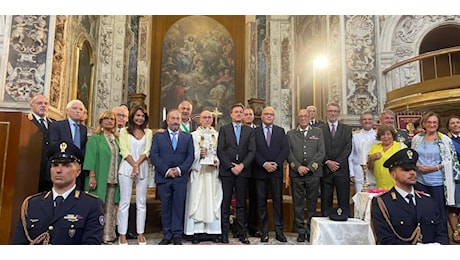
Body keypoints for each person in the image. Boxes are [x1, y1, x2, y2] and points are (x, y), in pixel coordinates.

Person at [10, 141, 105, 245]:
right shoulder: (32, 204)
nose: (59, 170)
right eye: (55, 165)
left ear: (78, 171)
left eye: (66, 165)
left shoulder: (90, 205)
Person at [371, 148, 450, 245]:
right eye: (406, 169)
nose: (412, 173)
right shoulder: (382, 203)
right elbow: (386, 240)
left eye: (414, 169)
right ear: (393, 174)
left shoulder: (427, 201)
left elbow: (442, 235)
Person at [411, 111, 460, 241]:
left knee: (440, 213)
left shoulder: (445, 140)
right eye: (429, 122)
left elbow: (451, 160)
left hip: (438, 182)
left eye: (434, 122)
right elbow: (412, 156)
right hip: (420, 181)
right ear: (424, 123)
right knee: (422, 211)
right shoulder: (417, 139)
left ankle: (442, 240)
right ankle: (425, 239)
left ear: (438, 124)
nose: (431, 124)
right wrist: (416, 165)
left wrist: (435, 167)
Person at [151, 109, 194, 245]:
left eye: (177, 119)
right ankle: (167, 234)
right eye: (173, 118)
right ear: (167, 120)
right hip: (164, 177)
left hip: (180, 178)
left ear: (180, 121)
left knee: (178, 207)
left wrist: (179, 170)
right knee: (165, 207)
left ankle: (177, 235)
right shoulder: (158, 136)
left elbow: (190, 156)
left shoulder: (187, 137)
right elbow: (154, 155)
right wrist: (166, 170)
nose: (175, 121)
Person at [217, 103, 256, 244]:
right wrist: (230, 166)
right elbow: (220, 150)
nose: (239, 114)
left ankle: (242, 233)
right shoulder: (224, 129)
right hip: (228, 171)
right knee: (226, 202)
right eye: (236, 112)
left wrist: (242, 165)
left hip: (243, 171)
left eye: (241, 112)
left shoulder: (249, 131)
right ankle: (224, 233)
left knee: (241, 204)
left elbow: (252, 151)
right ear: (231, 114)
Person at [286, 108, 325, 243]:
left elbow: (321, 152)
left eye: (305, 116)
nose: (303, 118)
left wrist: (309, 168)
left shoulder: (318, 132)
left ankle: (310, 230)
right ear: (297, 118)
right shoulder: (290, 134)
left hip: (313, 174)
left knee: (312, 204)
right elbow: (288, 153)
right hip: (296, 174)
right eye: (300, 116)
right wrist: (298, 167)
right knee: (297, 204)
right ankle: (300, 231)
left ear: (309, 118)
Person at [184, 110, 223, 244]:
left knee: (212, 199)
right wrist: (199, 154)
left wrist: (217, 161)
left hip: (212, 174)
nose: (207, 120)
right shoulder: (193, 136)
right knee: (198, 199)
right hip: (198, 172)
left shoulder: (217, 135)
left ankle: (212, 231)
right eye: (204, 117)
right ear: (199, 120)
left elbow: (220, 153)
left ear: (212, 120)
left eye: (209, 118)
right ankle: (196, 232)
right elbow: (189, 154)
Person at [252, 106, 289, 243]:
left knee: (277, 202)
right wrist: (264, 164)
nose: (268, 116)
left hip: (276, 172)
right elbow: (253, 150)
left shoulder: (280, 131)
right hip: (260, 172)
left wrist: (276, 164)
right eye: (266, 114)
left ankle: (279, 232)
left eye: (271, 114)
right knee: (261, 204)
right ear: (261, 116)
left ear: (274, 117)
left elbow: (285, 149)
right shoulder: (254, 132)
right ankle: (264, 232)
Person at [83, 110, 120, 244]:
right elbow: (90, 158)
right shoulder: (95, 138)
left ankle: (108, 235)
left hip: (113, 178)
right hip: (99, 177)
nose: (109, 121)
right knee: (97, 208)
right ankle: (95, 236)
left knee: (110, 208)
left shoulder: (117, 139)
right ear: (101, 121)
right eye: (106, 119)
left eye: (112, 119)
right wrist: (92, 176)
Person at [117, 106, 152, 245]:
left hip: (142, 167)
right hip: (127, 167)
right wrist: (134, 165)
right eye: (137, 115)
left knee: (141, 202)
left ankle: (140, 233)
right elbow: (124, 150)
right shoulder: (125, 132)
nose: (140, 118)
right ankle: (122, 234)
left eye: (142, 116)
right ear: (132, 117)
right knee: (124, 202)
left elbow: (147, 150)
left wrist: (138, 165)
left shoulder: (148, 132)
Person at [318, 102, 352, 216]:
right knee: (325, 200)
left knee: (343, 200)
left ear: (339, 113)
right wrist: (327, 161)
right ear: (326, 113)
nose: (333, 113)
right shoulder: (319, 129)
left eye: (335, 111)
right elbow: (319, 149)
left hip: (341, 170)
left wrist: (336, 163)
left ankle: (343, 223)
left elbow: (348, 148)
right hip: (325, 170)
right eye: (330, 111)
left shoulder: (346, 129)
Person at [49, 99, 88, 190]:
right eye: (75, 108)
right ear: (67, 111)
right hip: (62, 163)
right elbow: (54, 143)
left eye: (81, 109)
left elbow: (83, 147)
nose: (78, 111)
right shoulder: (57, 125)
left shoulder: (83, 129)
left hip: (77, 166)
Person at [27, 94, 55, 192]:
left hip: (49, 170)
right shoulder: (26, 121)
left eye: (46, 103)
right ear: (31, 106)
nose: (43, 105)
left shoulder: (54, 124)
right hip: (31, 168)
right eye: (39, 103)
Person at [368, 125, 406, 190]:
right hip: (380, 184)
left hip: (396, 183)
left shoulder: (400, 146)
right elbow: (370, 168)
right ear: (379, 137)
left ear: (393, 135)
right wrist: (371, 158)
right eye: (383, 134)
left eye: (388, 134)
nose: (386, 137)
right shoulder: (375, 147)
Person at [243, 107, 260, 237]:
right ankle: (240, 227)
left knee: (255, 200)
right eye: (246, 114)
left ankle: (253, 227)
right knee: (241, 200)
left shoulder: (259, 130)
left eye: (250, 114)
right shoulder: (238, 130)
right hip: (242, 169)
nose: (248, 116)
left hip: (257, 170)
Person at [348, 111, 377, 192]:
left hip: (374, 173)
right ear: (360, 122)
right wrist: (351, 173)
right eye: (364, 119)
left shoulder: (378, 136)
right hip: (359, 173)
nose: (367, 121)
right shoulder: (355, 136)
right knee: (361, 200)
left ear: (373, 121)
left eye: (370, 119)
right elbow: (350, 156)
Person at [445, 115, 460, 243]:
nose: (456, 125)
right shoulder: (447, 140)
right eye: (453, 123)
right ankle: (456, 233)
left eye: (458, 122)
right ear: (448, 126)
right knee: (454, 207)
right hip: (455, 178)